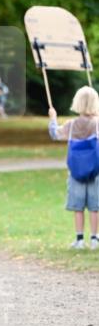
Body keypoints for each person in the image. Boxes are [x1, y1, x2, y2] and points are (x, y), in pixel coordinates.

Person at [48, 85, 99, 250]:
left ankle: (79, 239)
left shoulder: (71, 124)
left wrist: (53, 118)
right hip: (96, 170)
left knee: (78, 207)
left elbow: (55, 134)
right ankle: (94, 239)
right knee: (95, 206)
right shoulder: (97, 123)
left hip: (76, 171)